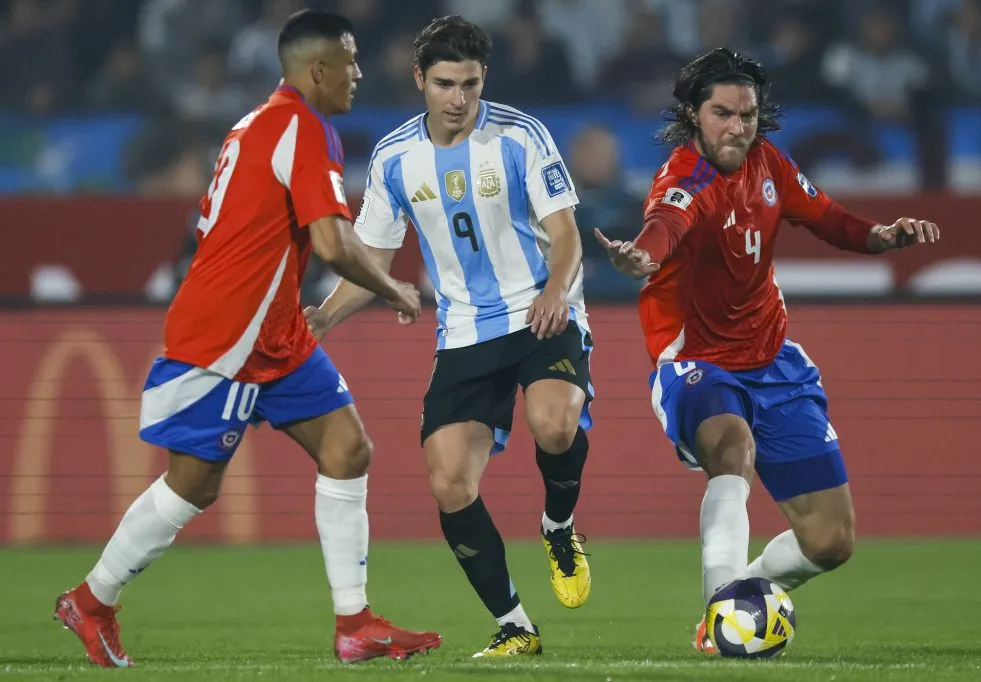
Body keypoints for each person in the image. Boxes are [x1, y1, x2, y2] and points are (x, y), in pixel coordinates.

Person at [53, 10, 441, 667]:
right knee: (193, 486)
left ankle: (355, 623)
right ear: (318, 70)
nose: (360, 72)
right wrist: (394, 285)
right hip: (229, 333)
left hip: (276, 329)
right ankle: (91, 601)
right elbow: (331, 242)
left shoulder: (259, 121)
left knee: (348, 449)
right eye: (350, 61)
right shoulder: (303, 127)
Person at [594, 47, 940, 653]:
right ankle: (720, 607)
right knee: (732, 448)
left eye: (747, 114)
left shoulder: (769, 165)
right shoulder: (685, 179)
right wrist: (640, 257)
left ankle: (734, 603)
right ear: (694, 116)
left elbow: (827, 216)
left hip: (775, 361)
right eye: (722, 113)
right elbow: (664, 226)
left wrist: (881, 237)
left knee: (830, 542)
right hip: (696, 360)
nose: (737, 126)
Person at [305, 15, 594, 658]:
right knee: (449, 484)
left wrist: (555, 292)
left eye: (469, 83)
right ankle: (516, 625)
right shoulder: (394, 158)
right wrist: (324, 317)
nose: (458, 98)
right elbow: (372, 260)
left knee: (555, 426)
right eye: (444, 84)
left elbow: (568, 235)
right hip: (464, 331)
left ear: (483, 77)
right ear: (419, 80)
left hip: (538, 313)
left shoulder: (520, 135)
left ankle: (559, 525)